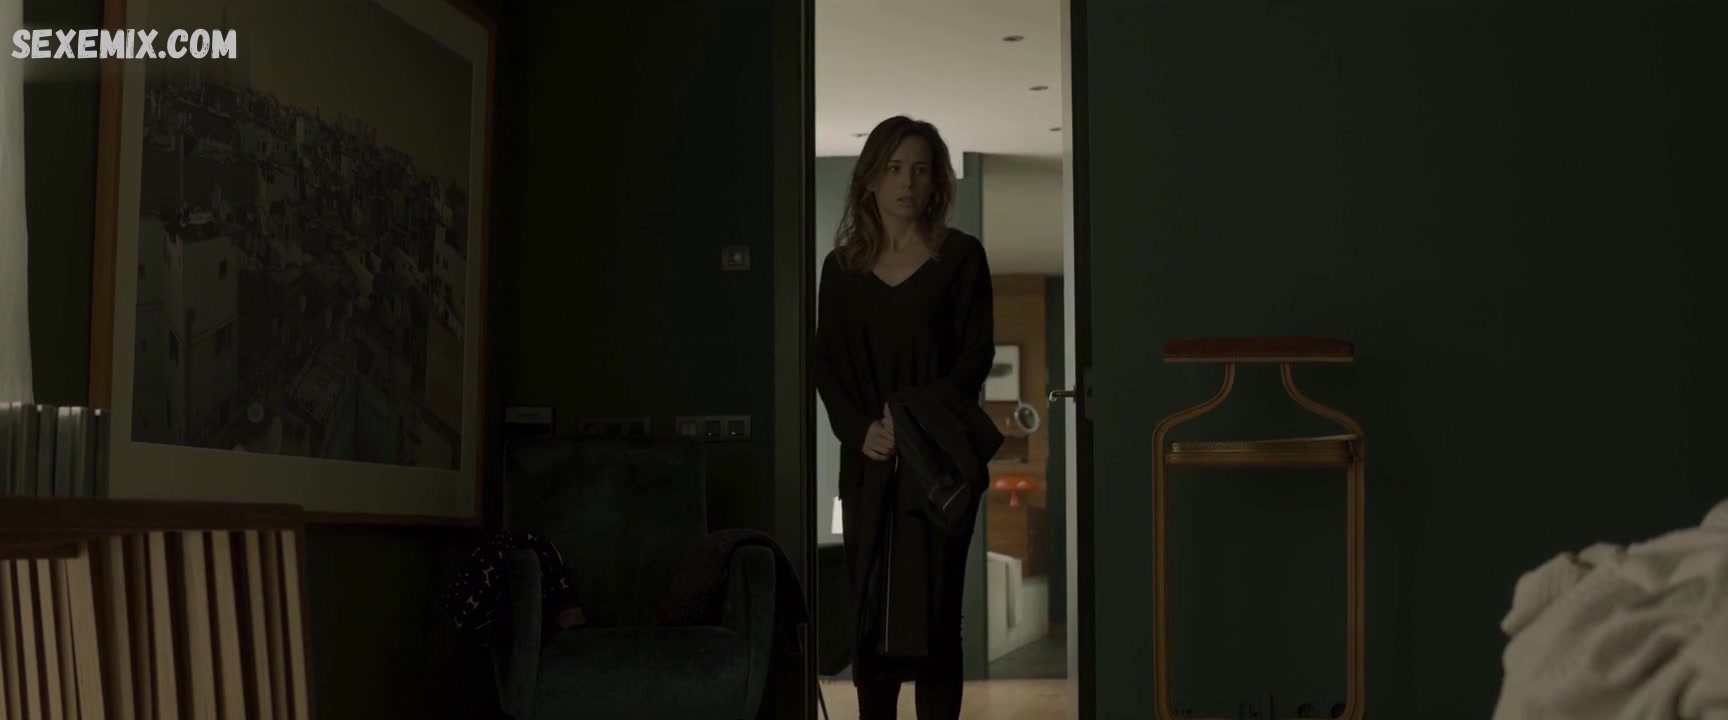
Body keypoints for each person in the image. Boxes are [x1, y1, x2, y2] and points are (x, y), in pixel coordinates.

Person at [815, 115, 995, 720]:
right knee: (870, 610)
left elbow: (976, 356)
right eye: (893, 168)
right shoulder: (840, 269)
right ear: (870, 178)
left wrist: (913, 421)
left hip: (939, 461)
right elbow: (827, 365)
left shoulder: (962, 257)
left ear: (936, 180)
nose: (906, 182)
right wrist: (862, 429)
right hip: (869, 460)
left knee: (938, 616)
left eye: (920, 169)